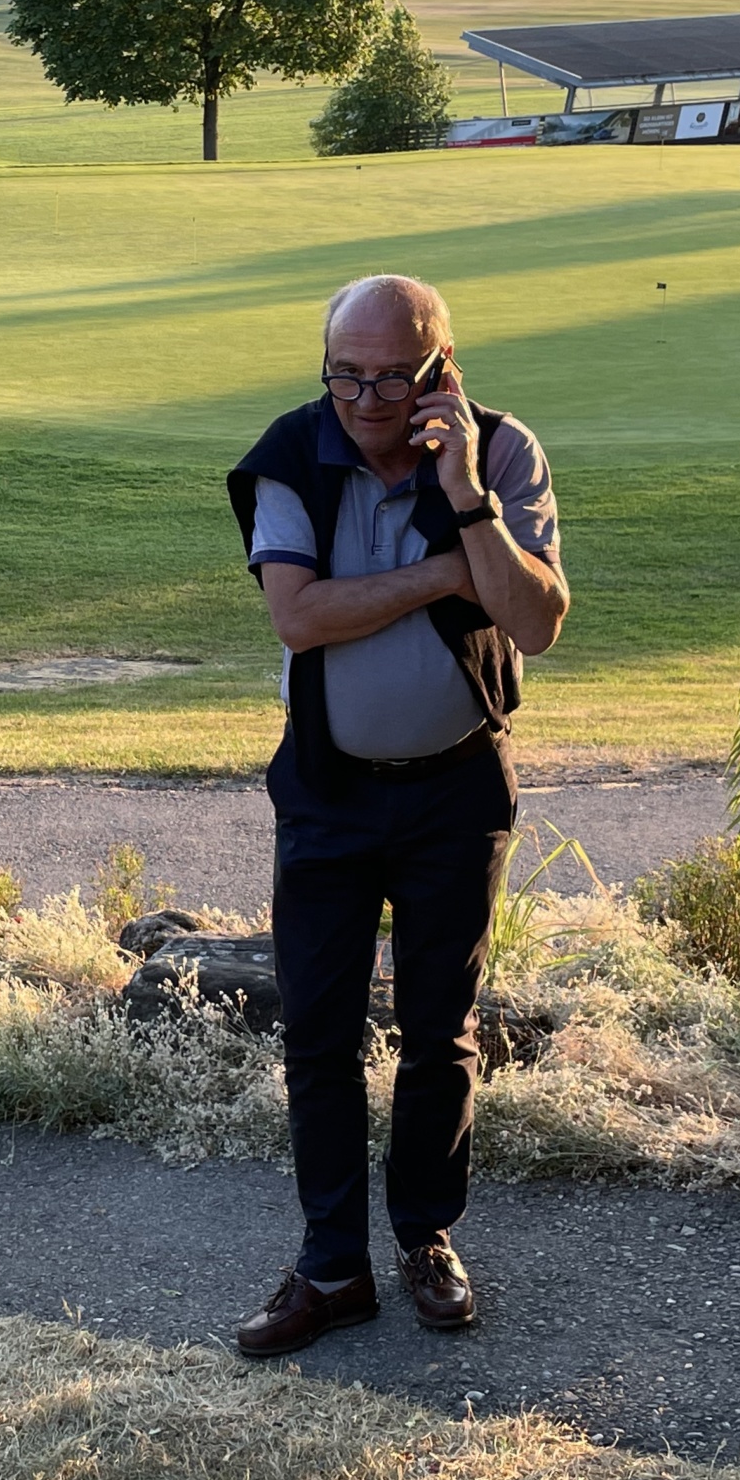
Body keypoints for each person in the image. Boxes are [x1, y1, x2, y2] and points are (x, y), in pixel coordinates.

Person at [224, 273, 568, 1355]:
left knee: (440, 1031)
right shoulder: (291, 455)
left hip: (458, 788)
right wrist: (443, 574)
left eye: (392, 378)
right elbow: (299, 616)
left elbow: (535, 621)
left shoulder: (502, 453)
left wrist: (465, 498)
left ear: (441, 371)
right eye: (347, 375)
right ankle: (332, 1268)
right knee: (318, 1036)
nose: (367, 401)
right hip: (327, 790)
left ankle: (426, 1237)